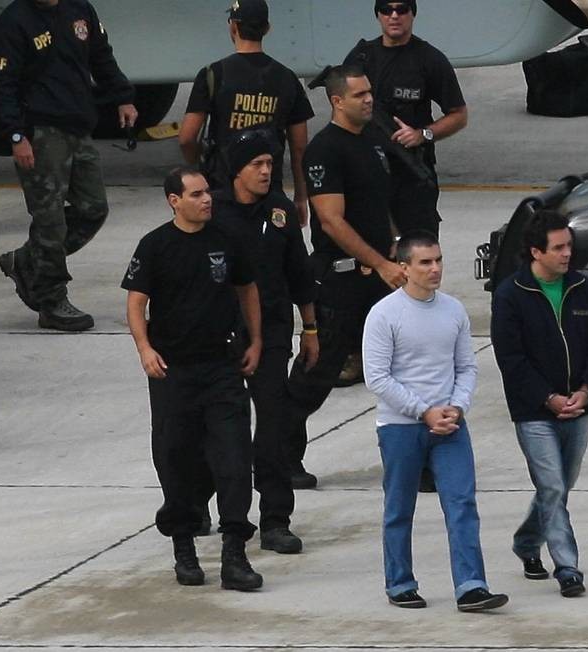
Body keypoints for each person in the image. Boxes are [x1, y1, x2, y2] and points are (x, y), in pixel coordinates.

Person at [122, 167, 264, 591]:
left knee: (236, 459)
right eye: (197, 194)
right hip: (173, 371)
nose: (207, 200)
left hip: (222, 367)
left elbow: (247, 290)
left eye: (208, 192)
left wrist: (256, 340)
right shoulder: (155, 245)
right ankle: (184, 546)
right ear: (174, 201)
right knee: (175, 458)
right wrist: (145, 350)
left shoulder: (226, 239)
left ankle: (234, 555)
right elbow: (135, 304)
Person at [363, 231, 508, 612]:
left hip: (450, 425)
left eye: (439, 260)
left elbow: (466, 365)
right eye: (425, 262)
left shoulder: (454, 310)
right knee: (400, 507)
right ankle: (400, 583)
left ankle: (471, 585)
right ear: (405, 267)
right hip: (400, 427)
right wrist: (423, 411)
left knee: (461, 503)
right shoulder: (384, 315)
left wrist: (456, 408)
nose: (435, 269)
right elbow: (377, 377)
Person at [283, 64, 406, 489]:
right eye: (359, 95)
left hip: (381, 276)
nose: (369, 100)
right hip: (340, 280)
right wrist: (382, 263)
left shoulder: (373, 141)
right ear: (337, 101)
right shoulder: (325, 151)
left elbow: (378, 205)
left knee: (407, 370)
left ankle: (416, 463)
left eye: (370, 92)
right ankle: (281, 460)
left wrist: (394, 245)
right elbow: (331, 222)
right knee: (316, 375)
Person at [0, 0, 137, 331]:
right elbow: (1, 85)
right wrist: (15, 136)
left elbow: (101, 56)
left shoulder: (79, 9)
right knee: (50, 220)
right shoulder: (13, 23)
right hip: (39, 133)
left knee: (93, 208)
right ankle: (51, 299)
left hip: (78, 125)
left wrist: (122, 96)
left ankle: (28, 260)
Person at [204, 129, 319, 554]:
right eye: (258, 164)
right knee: (216, 431)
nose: (267, 171)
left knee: (271, 427)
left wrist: (310, 330)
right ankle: (202, 503)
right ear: (237, 170)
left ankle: (276, 520)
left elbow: (299, 276)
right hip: (219, 338)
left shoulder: (281, 212)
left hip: (270, 334)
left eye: (271, 164)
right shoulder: (212, 211)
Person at [490, 210, 588, 598]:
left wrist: (587, 390)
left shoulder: (584, 290)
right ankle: (568, 567)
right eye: (558, 248)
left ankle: (527, 543)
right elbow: (511, 359)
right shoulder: (511, 295)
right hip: (534, 412)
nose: (566, 255)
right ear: (535, 252)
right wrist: (548, 398)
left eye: (568, 247)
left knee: (558, 487)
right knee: (553, 484)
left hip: (578, 407)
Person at [178, 0, 314, 222]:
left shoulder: (214, 73)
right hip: (270, 190)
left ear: (233, 27)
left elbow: (186, 138)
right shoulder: (287, 78)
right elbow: (299, 147)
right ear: (267, 29)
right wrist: (300, 196)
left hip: (223, 190)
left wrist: (197, 165)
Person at [343, 0, 467, 237]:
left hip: (411, 175)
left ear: (412, 14)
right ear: (378, 15)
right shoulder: (361, 58)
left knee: (419, 250)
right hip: (367, 174)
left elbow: (459, 115)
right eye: (386, 10)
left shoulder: (429, 59)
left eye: (401, 10)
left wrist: (423, 135)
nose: (394, 16)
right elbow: (340, 108)